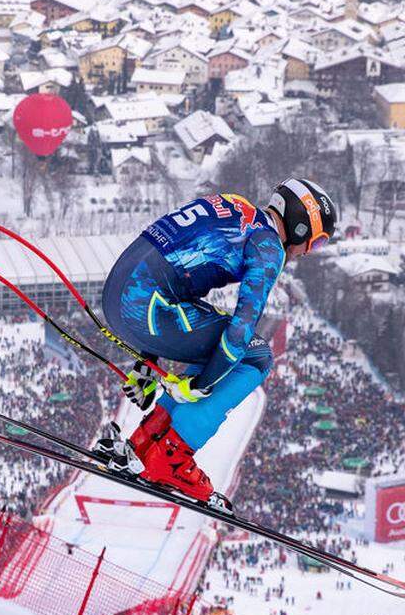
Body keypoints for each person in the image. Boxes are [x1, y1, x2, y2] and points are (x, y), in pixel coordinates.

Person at [93, 179, 338, 513]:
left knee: (219, 346)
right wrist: (201, 385)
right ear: (300, 225)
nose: (309, 251)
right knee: (255, 355)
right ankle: (173, 457)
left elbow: (172, 271)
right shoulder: (269, 247)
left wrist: (148, 358)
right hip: (148, 311)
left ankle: (146, 441)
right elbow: (241, 330)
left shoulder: (237, 205)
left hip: (120, 298)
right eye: (317, 240)